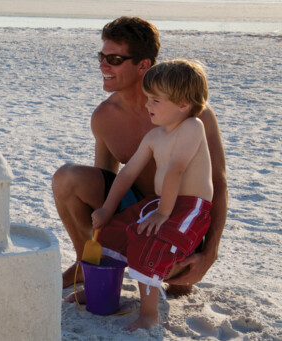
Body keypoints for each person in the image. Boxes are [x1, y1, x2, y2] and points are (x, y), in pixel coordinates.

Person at [53, 16, 227, 296]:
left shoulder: (193, 115)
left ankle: (166, 264)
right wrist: (106, 220)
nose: (102, 65)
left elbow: (217, 183)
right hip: (138, 212)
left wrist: (210, 253)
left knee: (173, 277)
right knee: (67, 178)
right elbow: (107, 181)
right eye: (101, 56)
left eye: (114, 58)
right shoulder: (104, 116)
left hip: (179, 218)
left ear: (143, 65)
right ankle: (87, 262)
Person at [90, 59, 213, 331]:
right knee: (112, 231)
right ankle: (99, 292)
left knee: (151, 243)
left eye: (155, 100)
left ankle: (148, 315)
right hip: (160, 203)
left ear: (182, 104)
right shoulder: (155, 136)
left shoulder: (192, 127)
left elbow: (176, 170)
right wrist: (108, 209)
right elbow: (126, 173)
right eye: (148, 99)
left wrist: (164, 213)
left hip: (188, 208)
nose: (147, 106)